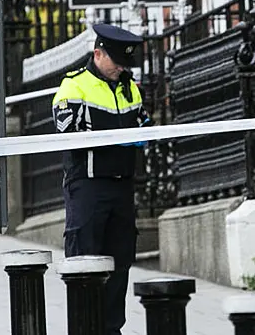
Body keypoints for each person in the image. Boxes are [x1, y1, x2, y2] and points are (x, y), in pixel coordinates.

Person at [52, 23, 151, 335]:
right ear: (98, 53)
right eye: (117, 61)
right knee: (85, 259)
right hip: (88, 187)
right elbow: (68, 133)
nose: (122, 67)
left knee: (119, 260)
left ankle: (111, 329)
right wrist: (116, 139)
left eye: (126, 63)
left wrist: (143, 133)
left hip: (122, 186)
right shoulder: (74, 86)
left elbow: (143, 122)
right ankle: (84, 327)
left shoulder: (129, 86)